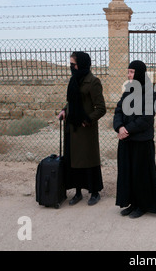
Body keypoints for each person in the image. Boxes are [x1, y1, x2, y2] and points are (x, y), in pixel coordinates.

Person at [113, 60, 156, 218]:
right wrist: (119, 127)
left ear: (140, 73)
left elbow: (146, 118)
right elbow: (118, 110)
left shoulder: (150, 93)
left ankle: (143, 205)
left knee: (140, 174)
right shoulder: (128, 91)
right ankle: (132, 203)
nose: (128, 75)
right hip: (126, 140)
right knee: (128, 173)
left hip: (142, 141)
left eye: (132, 72)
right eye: (128, 72)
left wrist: (127, 129)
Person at [58, 51, 106, 206]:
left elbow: (101, 108)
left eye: (74, 64)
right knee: (74, 161)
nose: (72, 67)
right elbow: (72, 102)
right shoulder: (73, 80)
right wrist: (64, 110)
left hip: (86, 130)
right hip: (72, 128)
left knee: (89, 160)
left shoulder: (93, 82)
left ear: (82, 64)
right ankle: (77, 192)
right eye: (71, 64)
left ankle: (94, 192)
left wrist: (88, 120)